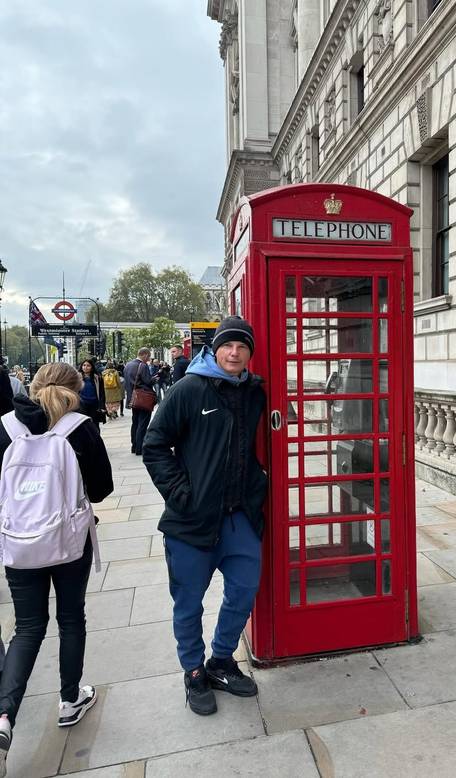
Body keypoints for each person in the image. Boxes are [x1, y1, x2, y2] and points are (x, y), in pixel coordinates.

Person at [143, 316, 267, 716]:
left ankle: (222, 660)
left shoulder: (254, 392)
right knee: (188, 602)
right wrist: (181, 493)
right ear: (214, 350)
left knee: (244, 591)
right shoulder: (187, 390)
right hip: (192, 521)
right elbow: (155, 444)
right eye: (228, 345)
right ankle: (194, 672)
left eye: (242, 347)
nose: (234, 353)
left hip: (240, 517)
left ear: (250, 352)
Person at [0, 362, 114, 777]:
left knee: (28, 627)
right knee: (70, 618)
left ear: (31, 386)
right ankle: (69, 700)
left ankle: (3, 718)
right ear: (77, 387)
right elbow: (103, 488)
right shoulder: (79, 427)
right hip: (68, 542)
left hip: (19, 545)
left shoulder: (6, 426)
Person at [123, 347, 156, 456]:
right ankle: (140, 448)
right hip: (143, 398)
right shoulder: (143, 365)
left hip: (133, 398)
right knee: (143, 423)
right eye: (149, 355)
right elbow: (147, 381)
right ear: (145, 354)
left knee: (135, 422)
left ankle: (134, 446)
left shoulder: (128, 365)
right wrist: (155, 378)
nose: (149, 358)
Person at [77, 359, 105, 431]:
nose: (85, 367)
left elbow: (102, 392)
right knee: (84, 425)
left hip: (94, 405)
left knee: (95, 425)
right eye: (84, 365)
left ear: (92, 367)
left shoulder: (97, 377)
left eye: (88, 365)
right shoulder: (77, 377)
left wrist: (102, 406)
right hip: (82, 404)